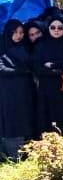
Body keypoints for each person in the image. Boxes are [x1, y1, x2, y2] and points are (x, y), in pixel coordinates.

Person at [0, 18, 37, 159]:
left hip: (26, 90)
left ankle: (26, 153)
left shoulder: (26, 47)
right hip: (8, 92)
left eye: (21, 32)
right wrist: (22, 71)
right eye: (15, 32)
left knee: (26, 117)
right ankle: (13, 154)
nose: (18, 35)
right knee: (12, 119)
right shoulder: (3, 47)